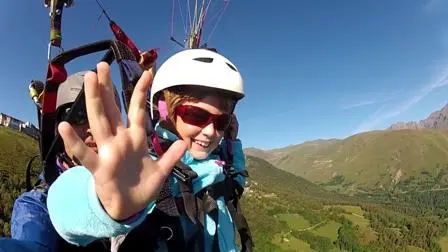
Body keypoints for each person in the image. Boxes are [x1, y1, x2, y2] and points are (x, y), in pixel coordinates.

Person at [46, 48, 252, 251]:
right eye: (196, 115)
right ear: (164, 110)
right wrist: (103, 203)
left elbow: (234, 183)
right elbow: (64, 208)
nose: (210, 132)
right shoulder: (146, 169)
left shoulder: (216, 162)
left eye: (221, 121)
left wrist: (233, 144)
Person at [0, 71, 122, 252]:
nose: (94, 129)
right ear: (59, 127)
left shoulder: (135, 179)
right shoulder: (38, 205)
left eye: (104, 118)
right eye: (80, 115)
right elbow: (34, 244)